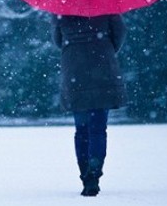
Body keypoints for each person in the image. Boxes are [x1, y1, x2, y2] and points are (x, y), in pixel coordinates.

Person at [51, 14, 127, 197]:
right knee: (98, 129)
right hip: (102, 67)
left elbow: (57, 39)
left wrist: (76, 47)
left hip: (75, 70)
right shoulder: (106, 3)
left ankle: (86, 175)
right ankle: (94, 172)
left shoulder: (61, 6)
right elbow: (120, 33)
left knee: (82, 129)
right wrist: (104, 48)